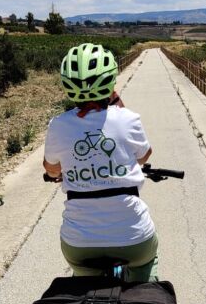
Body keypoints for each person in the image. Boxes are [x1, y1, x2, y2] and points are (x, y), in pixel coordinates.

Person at [43, 42, 158, 282]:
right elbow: (144, 156)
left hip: (79, 244)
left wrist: (61, 173)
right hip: (133, 239)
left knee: (85, 285)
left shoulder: (59, 125)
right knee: (146, 269)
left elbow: (51, 169)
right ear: (111, 82)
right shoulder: (128, 118)